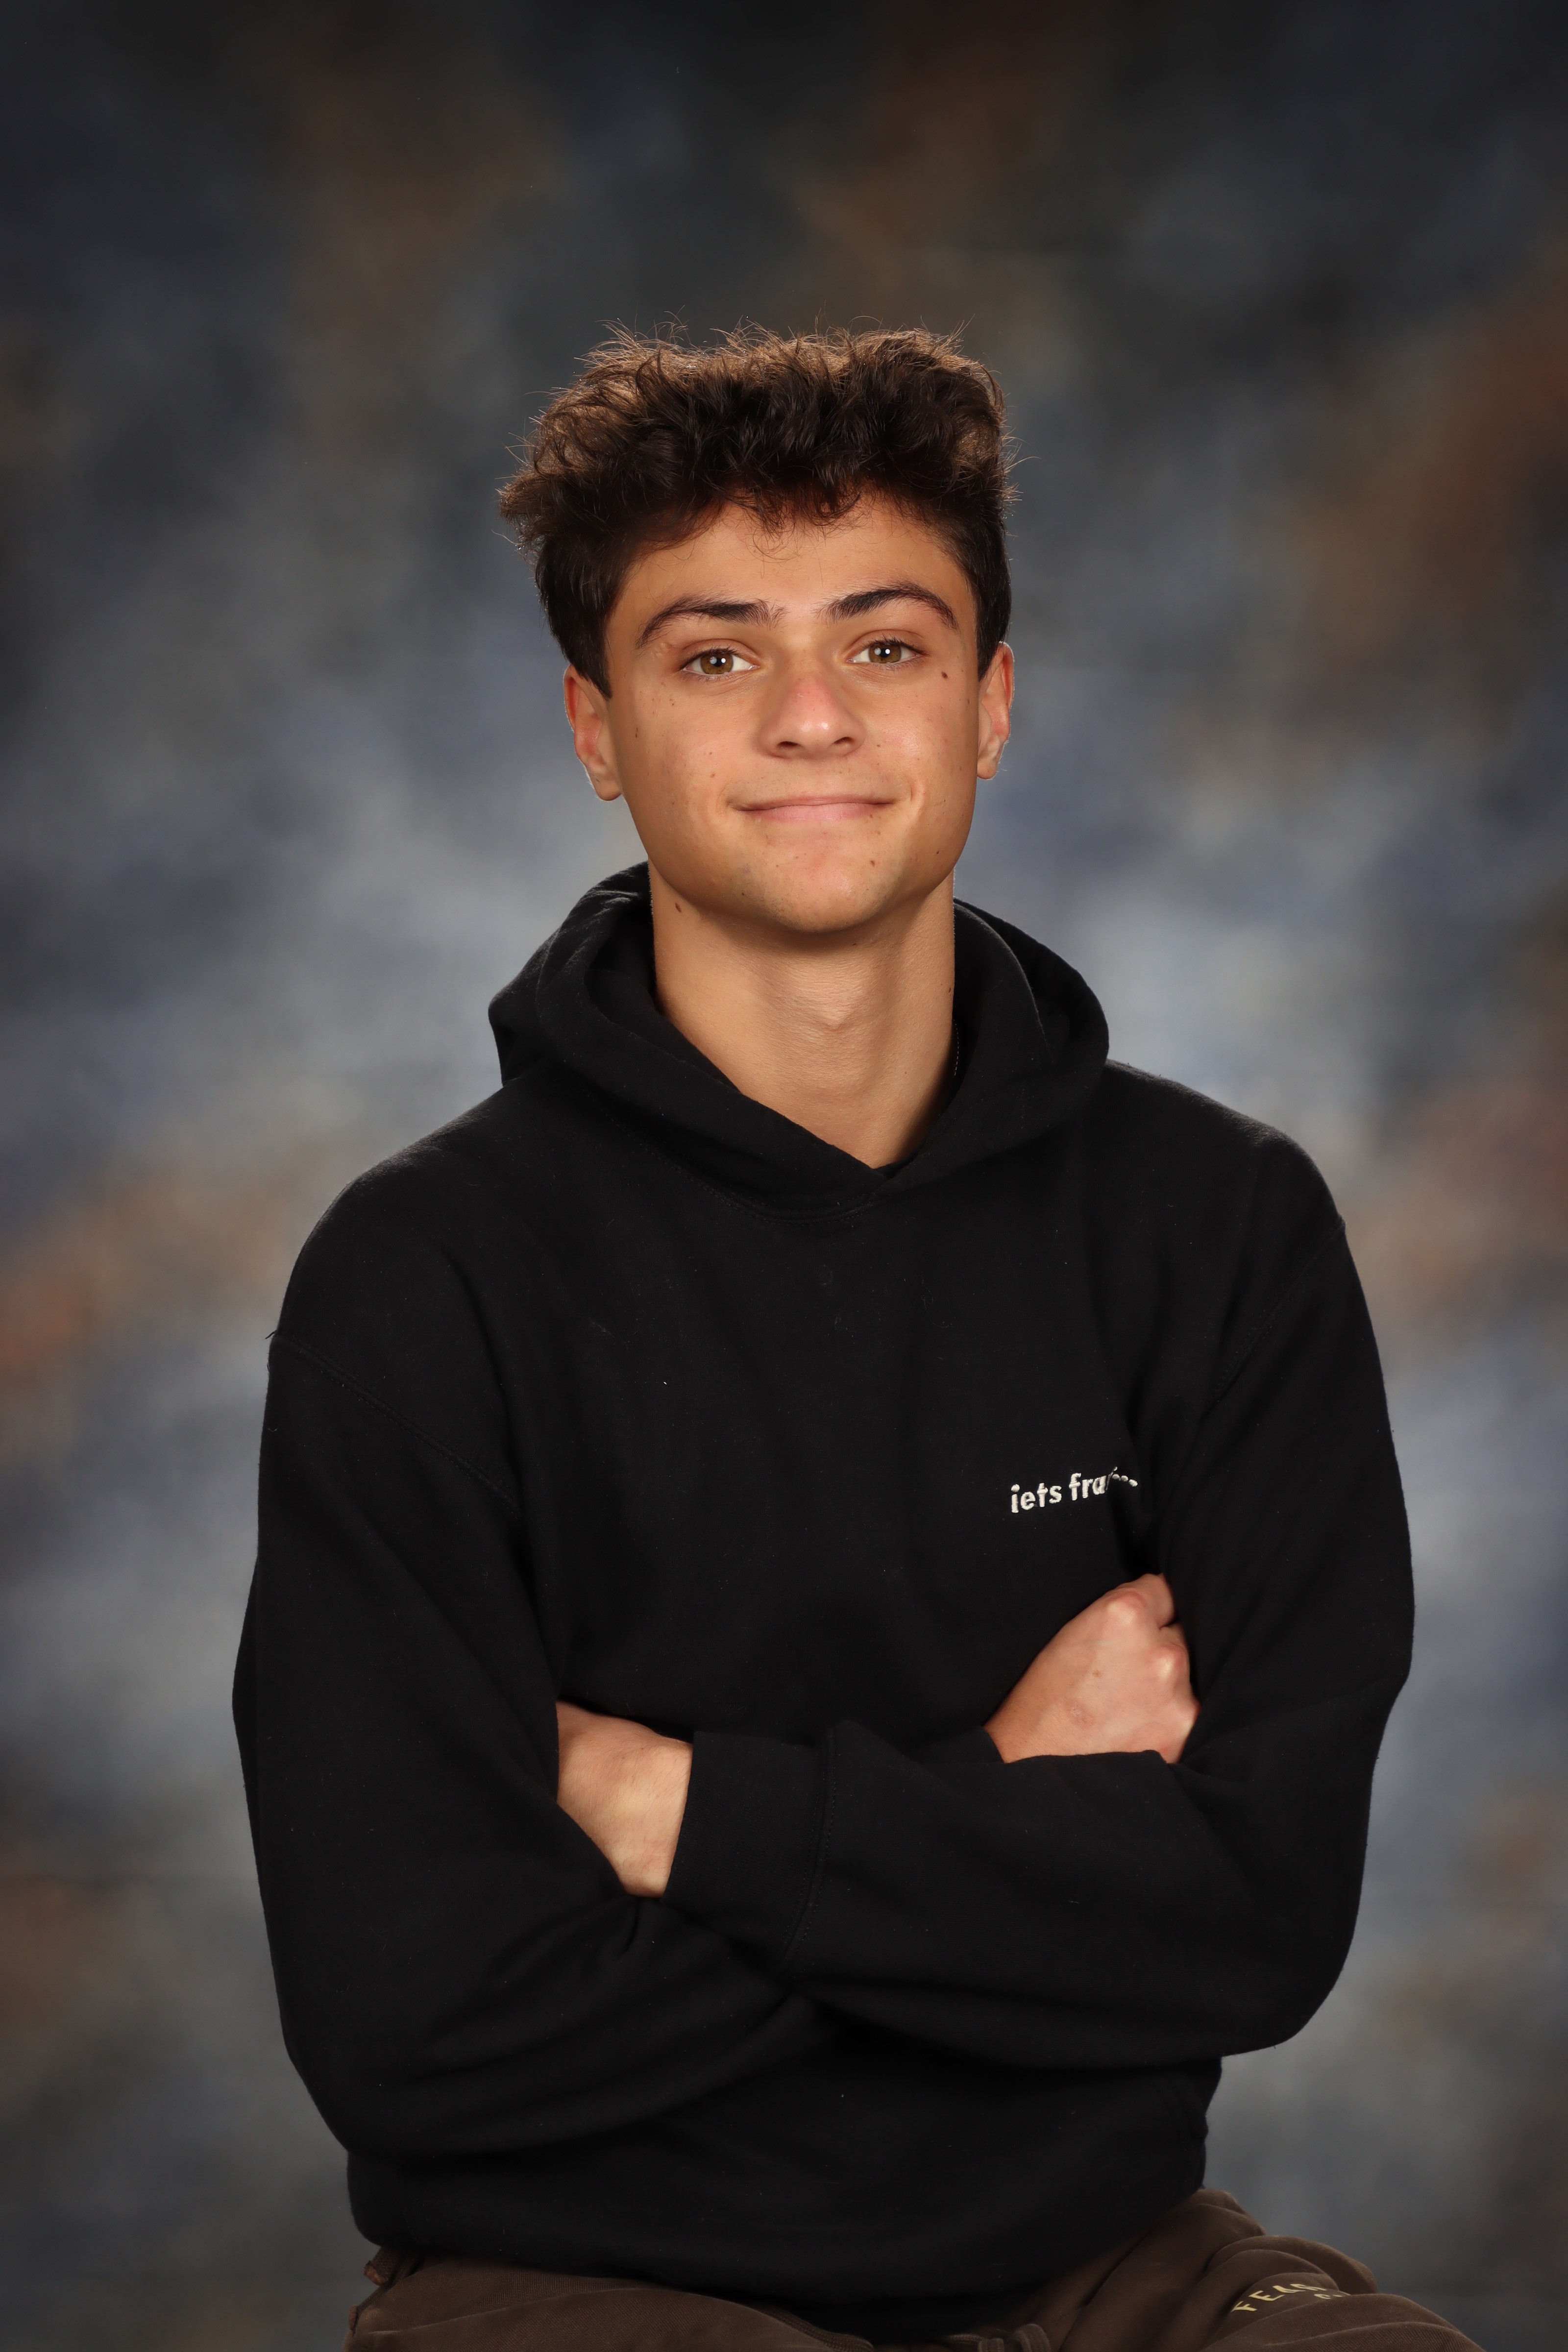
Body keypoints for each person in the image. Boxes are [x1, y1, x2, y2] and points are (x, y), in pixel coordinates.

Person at [235, 328, 1476, 2351]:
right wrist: (1005, 1787)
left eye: (885, 645)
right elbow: (422, 2029)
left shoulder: (1217, 1225)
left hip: (1103, 2264)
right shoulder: (425, 1275)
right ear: (596, 729)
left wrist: (678, 1819)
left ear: (990, 705)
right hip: (584, 2278)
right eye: (715, 653)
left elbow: (1250, 1926)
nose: (810, 715)